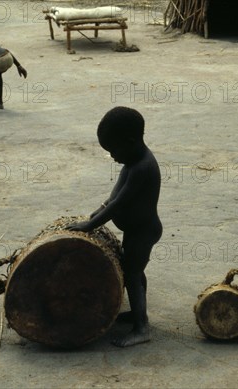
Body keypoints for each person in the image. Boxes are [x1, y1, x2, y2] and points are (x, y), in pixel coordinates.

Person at [67, 107, 163, 347]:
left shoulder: (143, 167)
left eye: (113, 150)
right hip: (135, 230)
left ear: (130, 142)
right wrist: (97, 212)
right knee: (135, 272)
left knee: (132, 273)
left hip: (144, 231)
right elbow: (112, 198)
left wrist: (90, 226)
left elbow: (119, 204)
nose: (112, 156)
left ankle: (142, 328)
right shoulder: (130, 162)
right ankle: (137, 313)